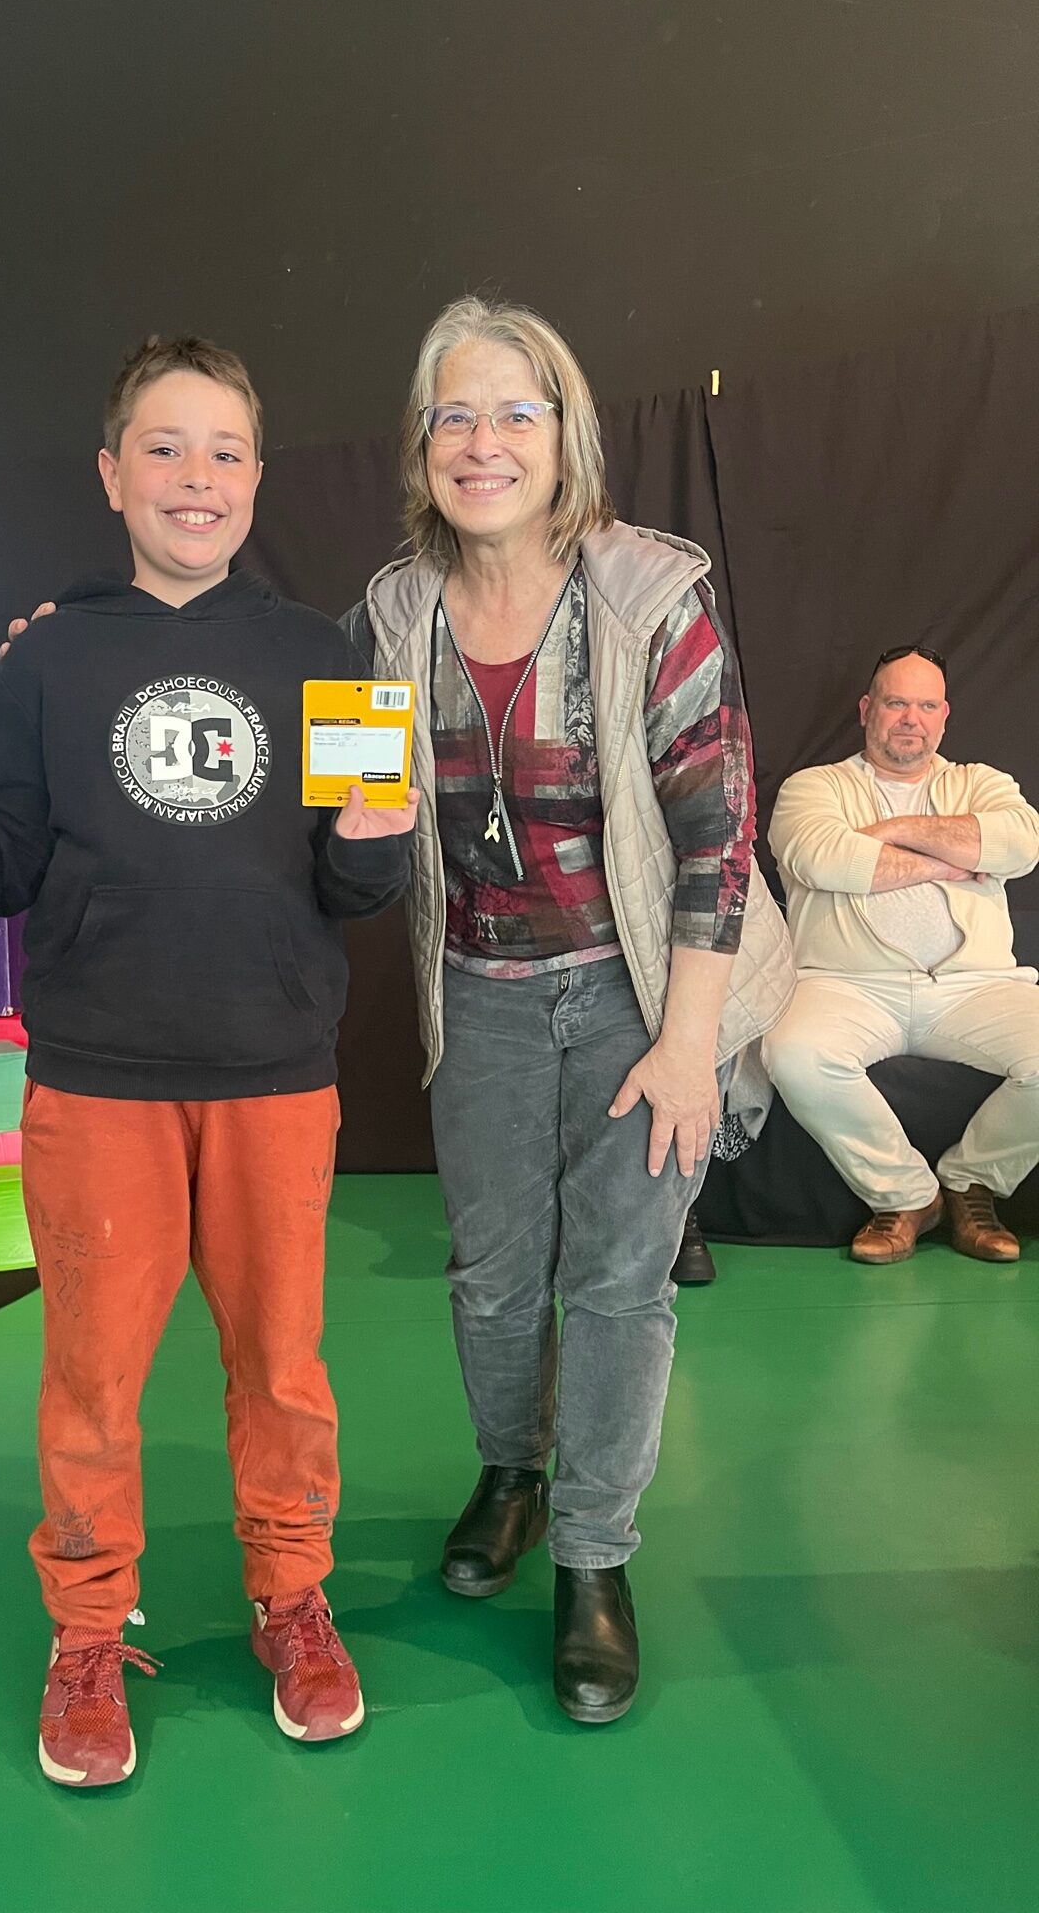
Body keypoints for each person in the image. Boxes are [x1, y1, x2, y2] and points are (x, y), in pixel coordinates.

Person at [0, 336, 415, 1788]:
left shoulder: (329, 654)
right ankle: (87, 1630)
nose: (195, 477)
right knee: (90, 1381)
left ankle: (292, 1599)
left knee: (283, 1369)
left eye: (224, 451)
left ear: (257, 477)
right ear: (110, 474)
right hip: (97, 1081)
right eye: (164, 446)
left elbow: (358, 887)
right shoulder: (50, 658)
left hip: (275, 1073)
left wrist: (375, 843)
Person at [341, 295, 793, 1723]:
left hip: (636, 993)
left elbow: (719, 828)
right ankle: (513, 1473)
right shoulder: (390, 614)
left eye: (515, 414)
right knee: (488, 1276)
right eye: (455, 416)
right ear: (422, 445)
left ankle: (595, 1556)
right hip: (474, 992)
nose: (484, 443)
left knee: (617, 1284)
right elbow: (347, 820)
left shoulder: (650, 594)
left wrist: (686, 1044)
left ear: (564, 436)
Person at [764, 645, 1039, 1263]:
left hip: (976, 986)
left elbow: (1021, 844)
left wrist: (891, 833)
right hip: (847, 984)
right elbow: (826, 859)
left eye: (926, 705)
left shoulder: (980, 782)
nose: (911, 718)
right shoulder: (815, 787)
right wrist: (955, 858)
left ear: (944, 716)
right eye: (896, 703)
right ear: (867, 710)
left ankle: (972, 1184)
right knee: (793, 1053)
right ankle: (908, 1196)